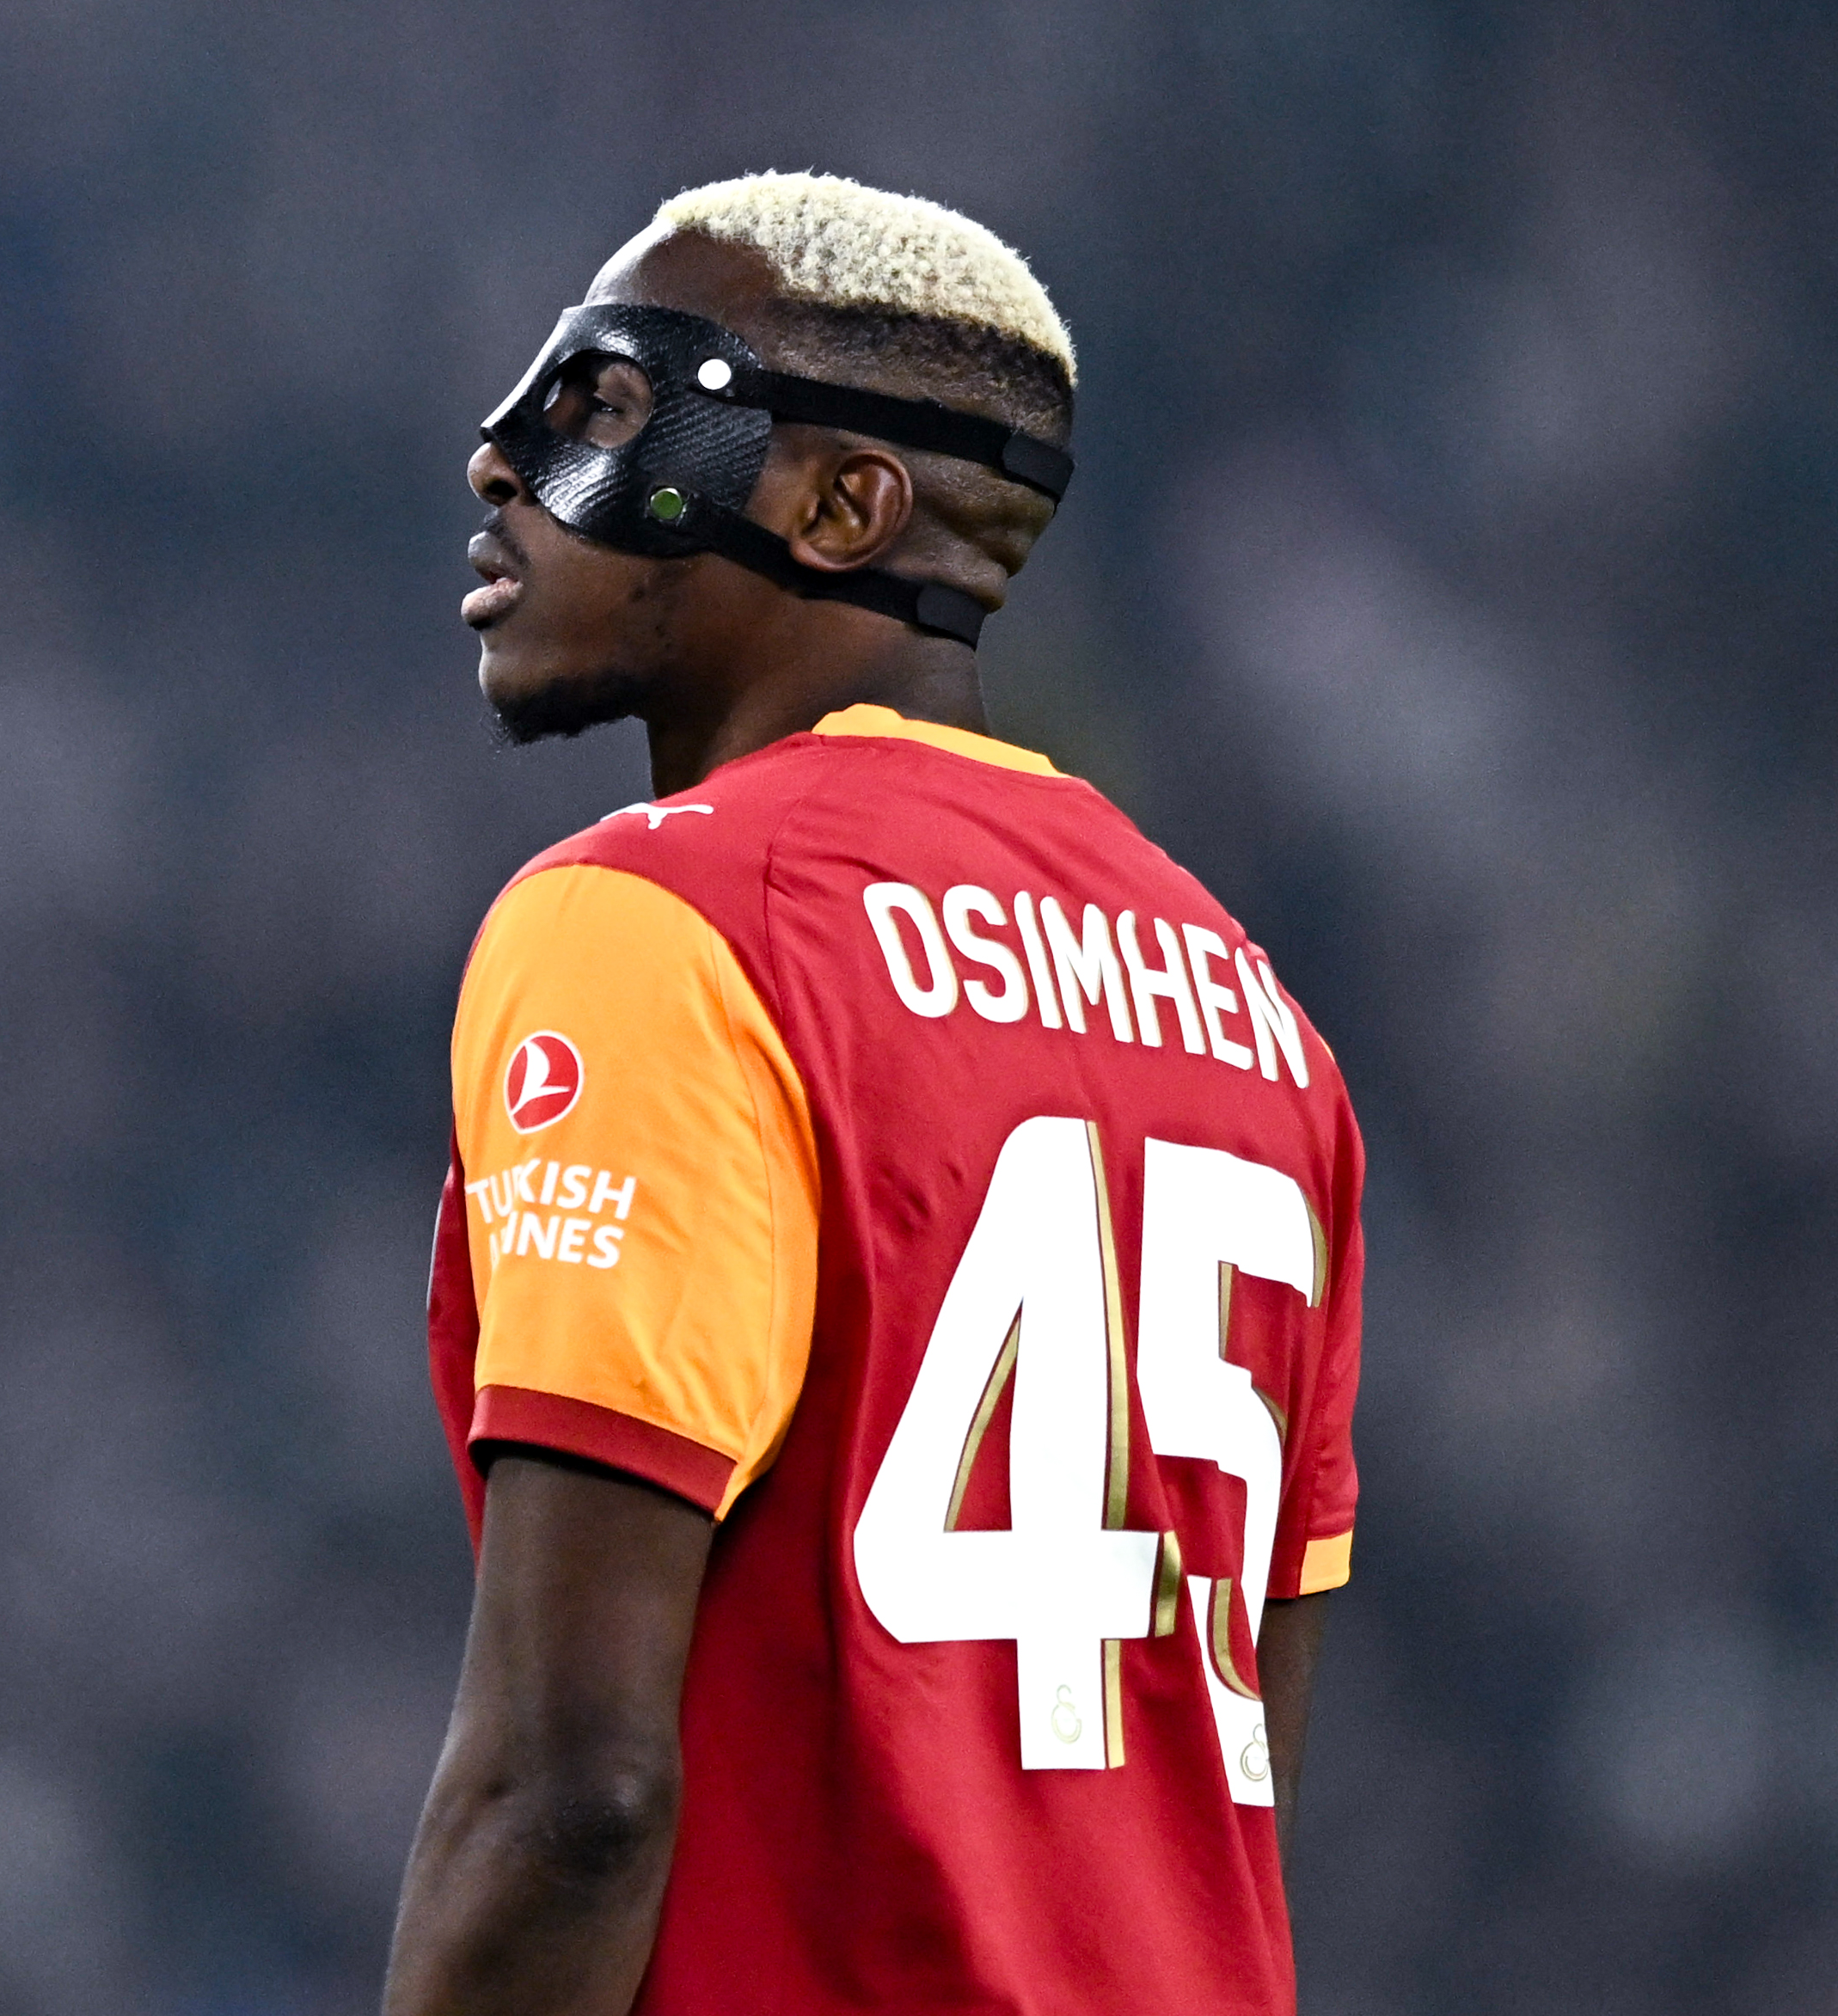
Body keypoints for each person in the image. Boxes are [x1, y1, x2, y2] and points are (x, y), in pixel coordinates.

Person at [384, 172, 1363, 2016]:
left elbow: (570, 1798)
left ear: (842, 508)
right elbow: (1227, 1802)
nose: (500, 461)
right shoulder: (1260, 1026)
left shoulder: (661, 920)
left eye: (613, 404)